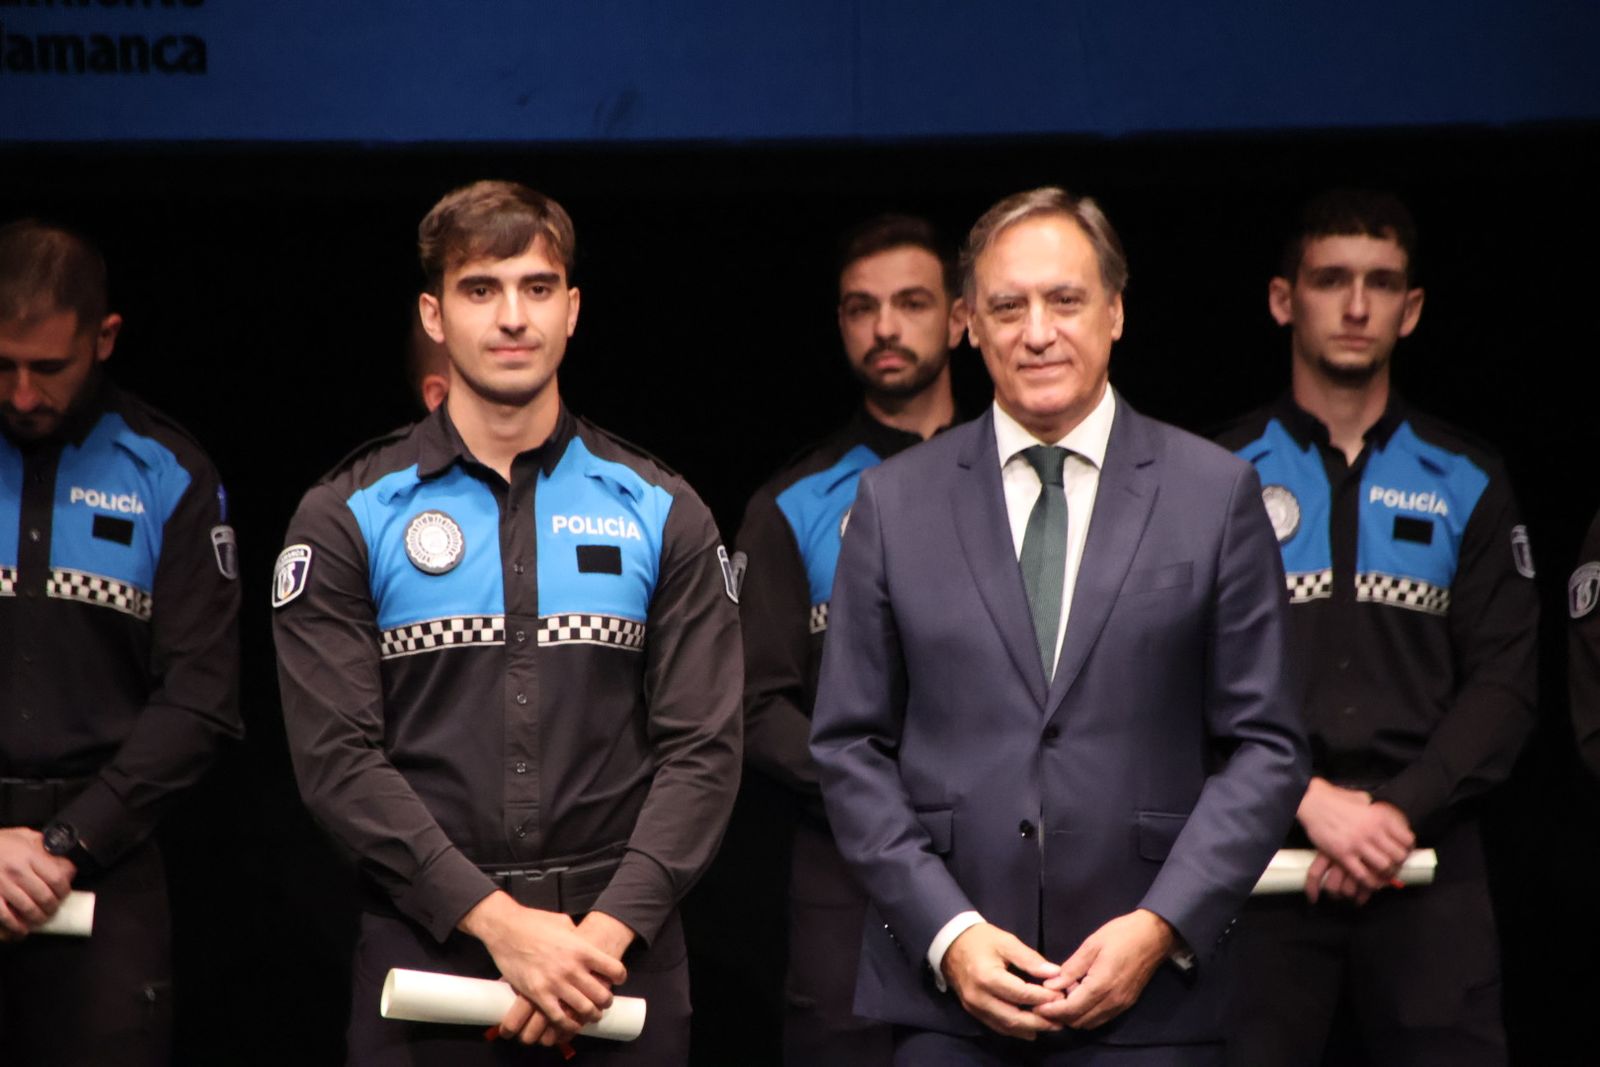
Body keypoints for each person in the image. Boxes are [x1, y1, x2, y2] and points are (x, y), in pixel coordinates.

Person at [810, 187, 1308, 1065]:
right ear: (969, 322)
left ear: (1116, 311)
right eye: (1008, 305)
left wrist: (1162, 925)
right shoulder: (892, 502)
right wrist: (950, 932)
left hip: (1153, 998)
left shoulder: (1214, 492)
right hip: (949, 999)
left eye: (1065, 300)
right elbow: (848, 746)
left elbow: (1267, 743)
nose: (1037, 331)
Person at [272, 180, 741, 1064]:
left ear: (573, 310)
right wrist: (508, 931)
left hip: (621, 954)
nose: (512, 316)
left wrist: (590, 945)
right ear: (435, 314)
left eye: (535, 287)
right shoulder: (346, 513)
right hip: (430, 946)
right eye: (480, 288)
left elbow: (705, 753)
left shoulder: (662, 508)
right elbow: (336, 761)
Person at [1217, 189, 1538, 1065]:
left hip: (1427, 859)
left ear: (1413, 307)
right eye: (1331, 279)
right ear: (1285, 298)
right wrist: (1305, 799)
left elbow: (1507, 684)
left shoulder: (1467, 476)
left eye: (1381, 282)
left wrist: (1396, 810)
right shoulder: (1216, 478)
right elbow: (1177, 676)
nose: (1357, 306)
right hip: (1259, 861)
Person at [0, 219, 242, 1065]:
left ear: (104, 338)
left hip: (105, 856)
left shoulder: (169, 472)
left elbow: (201, 701)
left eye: (49, 368)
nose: (23, 394)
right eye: (2, 365)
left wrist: (65, 843)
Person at [737, 214, 966, 1066]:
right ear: (841, 324)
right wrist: (885, 796)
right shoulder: (792, 503)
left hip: (1008, 856)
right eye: (861, 307)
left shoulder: (1029, 480)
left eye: (911, 302)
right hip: (847, 864)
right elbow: (757, 706)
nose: (885, 327)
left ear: (960, 316)